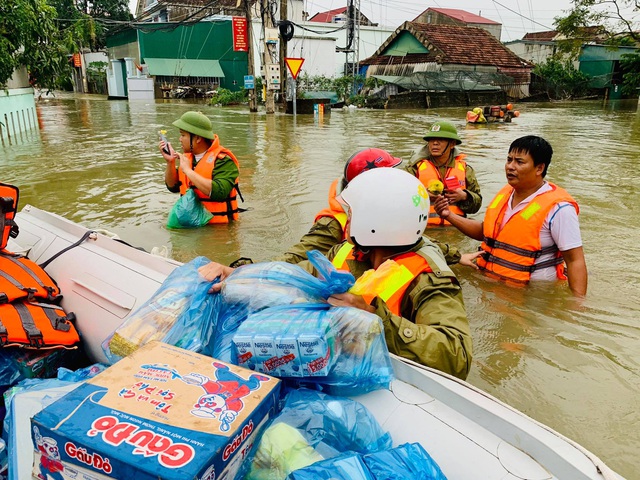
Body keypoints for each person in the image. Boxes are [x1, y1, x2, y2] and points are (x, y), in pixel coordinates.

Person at [200, 168, 473, 380]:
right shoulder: (346, 251)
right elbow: (292, 276)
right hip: (330, 363)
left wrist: (374, 318)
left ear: (378, 222)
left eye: (352, 214)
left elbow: (457, 355)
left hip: (378, 379)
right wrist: (237, 274)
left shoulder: (430, 280)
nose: (347, 221)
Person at [433, 135, 588, 297]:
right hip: (491, 285)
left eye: (519, 162)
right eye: (509, 160)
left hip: (532, 295)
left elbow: (575, 261)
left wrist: (577, 307)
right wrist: (449, 215)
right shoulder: (505, 194)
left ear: (539, 168)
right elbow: (485, 232)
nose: (510, 167)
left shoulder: (559, 208)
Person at [276, 147, 469, 268]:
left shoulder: (384, 214)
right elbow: (294, 258)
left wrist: (458, 256)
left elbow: (417, 241)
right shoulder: (333, 224)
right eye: (390, 176)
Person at [160, 111, 241, 224]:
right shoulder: (188, 159)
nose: (180, 139)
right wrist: (170, 162)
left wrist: (188, 171)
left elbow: (219, 193)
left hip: (218, 231)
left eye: (183, 135)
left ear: (197, 138)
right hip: (191, 226)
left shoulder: (224, 161)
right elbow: (173, 187)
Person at [406, 120, 482, 226]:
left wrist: (464, 196)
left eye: (440, 139)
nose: (435, 143)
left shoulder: (465, 169)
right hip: (424, 232)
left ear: (452, 144)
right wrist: (423, 195)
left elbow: (477, 205)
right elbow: (399, 199)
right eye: (431, 140)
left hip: (456, 230)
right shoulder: (414, 168)